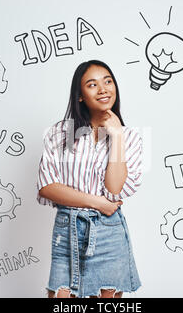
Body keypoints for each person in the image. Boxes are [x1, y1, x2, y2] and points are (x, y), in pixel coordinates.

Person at [36, 60, 143, 298]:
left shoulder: (130, 138)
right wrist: (98, 203)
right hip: (68, 229)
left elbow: (114, 189)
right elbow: (47, 187)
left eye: (108, 81)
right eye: (92, 84)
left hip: (109, 233)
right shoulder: (60, 133)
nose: (103, 89)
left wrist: (117, 137)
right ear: (80, 95)